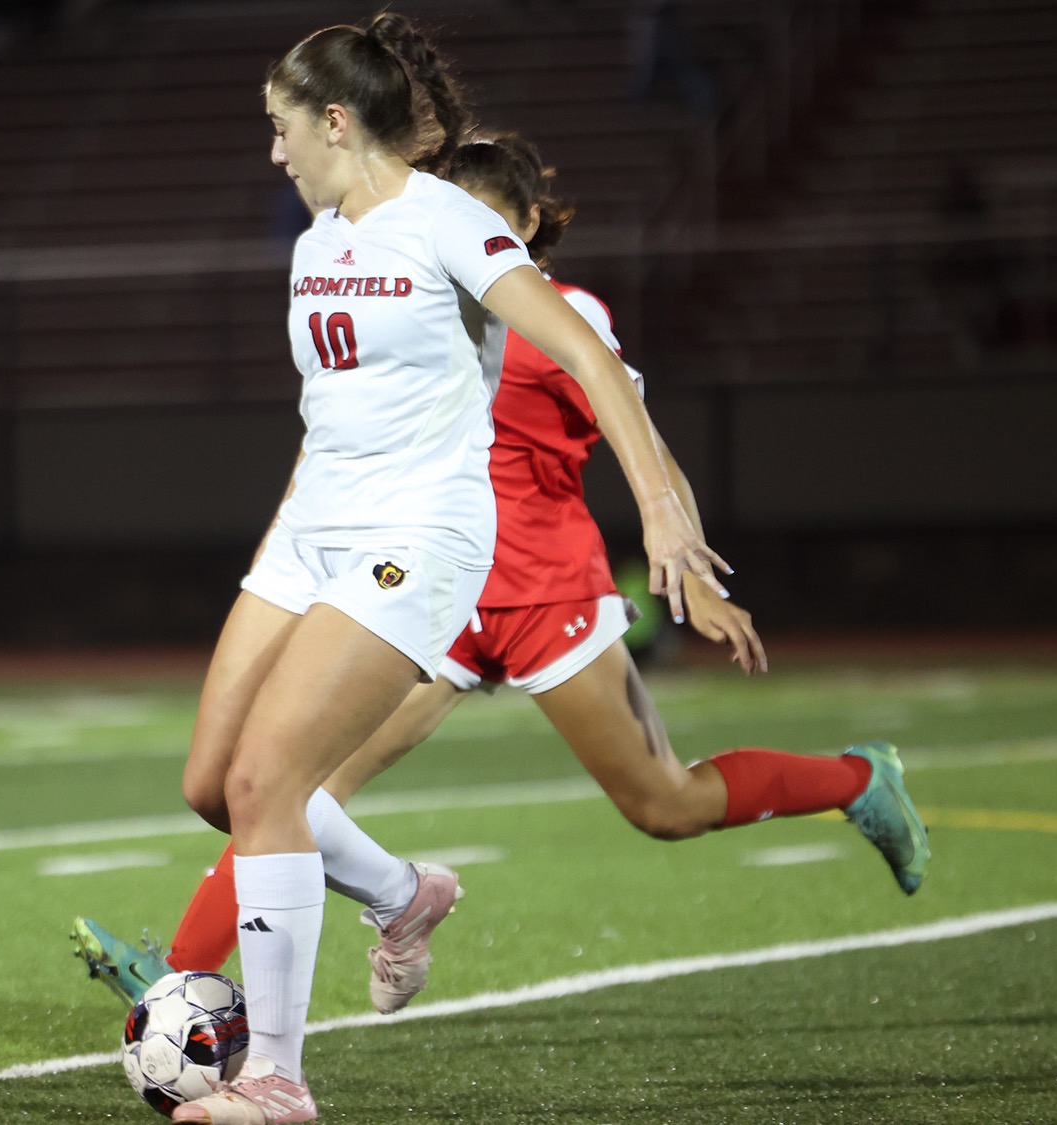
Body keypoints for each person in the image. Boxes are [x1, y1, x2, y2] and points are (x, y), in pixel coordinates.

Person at [73, 135, 929, 1017]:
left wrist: (690, 560)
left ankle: (858, 781)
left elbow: (648, 440)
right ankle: (182, 974)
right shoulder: (407, 293)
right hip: (428, 586)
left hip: (541, 590)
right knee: (290, 782)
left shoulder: (560, 316)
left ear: (526, 226)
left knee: (664, 803)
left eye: (491, 219)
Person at [149, 16, 736, 1124]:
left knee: (269, 784)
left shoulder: (448, 224)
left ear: (333, 120)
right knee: (208, 786)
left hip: (415, 538)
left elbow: (584, 352)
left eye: (280, 128)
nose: (272, 153)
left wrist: (660, 511)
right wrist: (281, 544)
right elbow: (326, 418)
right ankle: (401, 893)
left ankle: (274, 1078)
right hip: (311, 530)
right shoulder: (315, 241)